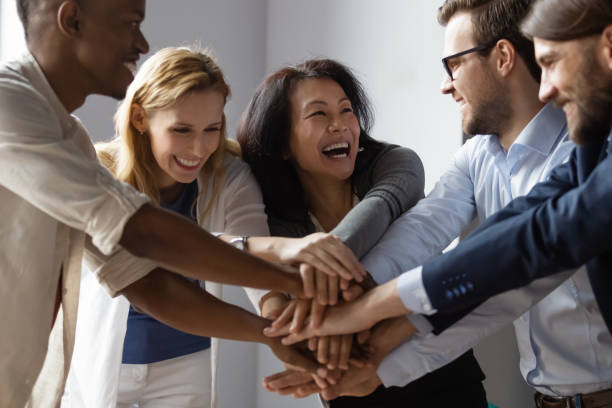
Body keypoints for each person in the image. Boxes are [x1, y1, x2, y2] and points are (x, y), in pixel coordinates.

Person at [0, 1, 354, 405]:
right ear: (72, 19)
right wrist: (298, 283)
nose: (142, 43)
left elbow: (146, 283)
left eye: (211, 129)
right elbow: (145, 232)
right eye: (130, 24)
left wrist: (272, 333)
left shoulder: (70, 139)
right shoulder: (8, 106)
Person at [268, 0, 612, 406]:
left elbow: (520, 263)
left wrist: (367, 313)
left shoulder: (587, 147)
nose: (546, 87)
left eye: (552, 61)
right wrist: (357, 321)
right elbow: (427, 233)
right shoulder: (482, 156)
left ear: (502, 57)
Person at [238, 58, 488, 407]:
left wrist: (323, 294)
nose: (340, 125)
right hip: (348, 386)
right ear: (282, 142)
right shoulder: (273, 220)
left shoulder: (397, 165)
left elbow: (376, 213)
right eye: (319, 114)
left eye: (347, 110)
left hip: (442, 375)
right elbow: (290, 327)